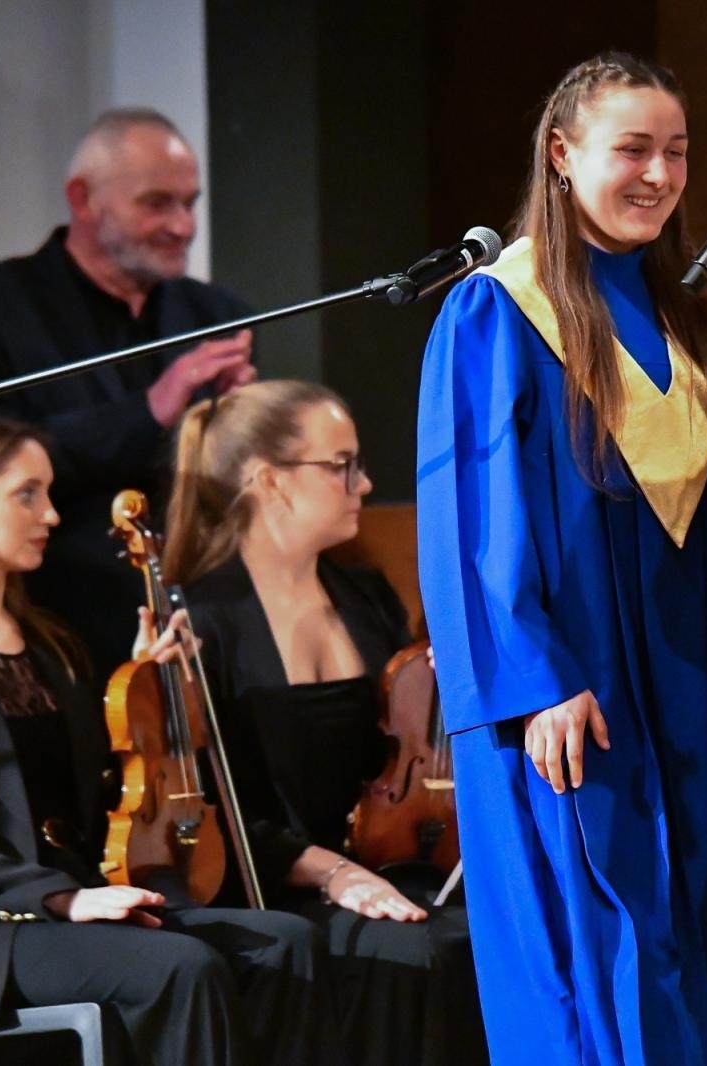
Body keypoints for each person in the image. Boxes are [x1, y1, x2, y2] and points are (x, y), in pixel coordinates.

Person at [415, 52, 707, 1065]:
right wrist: (533, 680)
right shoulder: (499, 311)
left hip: (702, 693)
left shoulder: (694, 324)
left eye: (676, 152)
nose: (658, 174)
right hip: (577, 701)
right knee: (596, 959)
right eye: (632, 149)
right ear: (562, 155)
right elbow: (476, 520)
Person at [0, 411, 339, 1066]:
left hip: (78, 899)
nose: (51, 515)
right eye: (27, 494)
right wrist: (59, 896)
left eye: (49, 494)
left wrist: (145, 687)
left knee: (289, 945)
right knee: (180, 966)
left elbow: (106, 787)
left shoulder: (52, 646)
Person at [165, 379, 487, 1066]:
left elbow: (406, 756)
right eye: (342, 465)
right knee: (411, 948)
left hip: (390, 865)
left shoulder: (363, 594)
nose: (363, 484)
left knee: (490, 928)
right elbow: (214, 809)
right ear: (270, 481)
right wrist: (334, 873)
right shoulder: (202, 619)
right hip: (277, 887)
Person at [0, 107, 256, 679]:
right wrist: (151, 409)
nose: (183, 226)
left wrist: (238, 425)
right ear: (83, 200)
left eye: (190, 203)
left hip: (205, 614)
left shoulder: (218, 315)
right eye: (157, 203)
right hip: (56, 616)